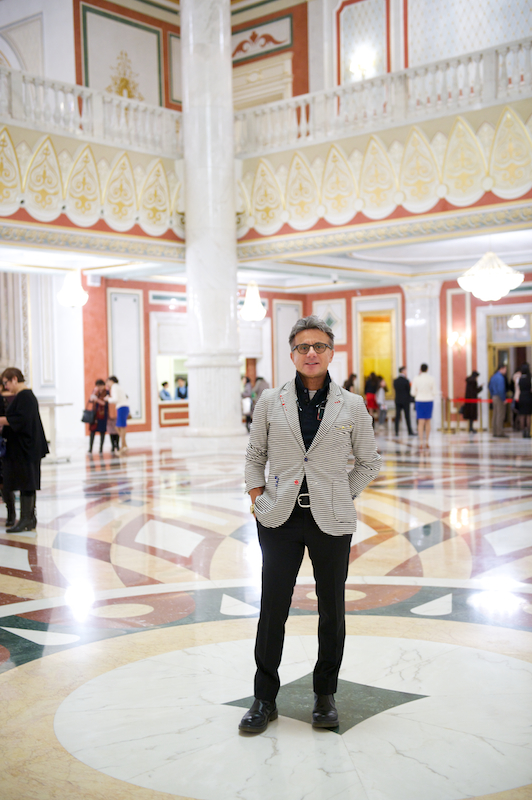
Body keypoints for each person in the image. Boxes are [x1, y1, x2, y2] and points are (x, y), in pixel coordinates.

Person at [240, 315, 381, 734]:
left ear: (331, 353)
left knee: (331, 609)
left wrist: (340, 493)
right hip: (279, 519)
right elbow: (254, 457)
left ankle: (325, 695)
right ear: (292, 355)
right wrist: (257, 499)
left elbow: (369, 462)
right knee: (273, 608)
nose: (311, 353)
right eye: (303, 347)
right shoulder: (270, 400)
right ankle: (264, 698)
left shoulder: (352, 404)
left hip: (330, 519)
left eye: (319, 346)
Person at [0, 368, 49, 533]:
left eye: (6, 383)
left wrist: (2, 420)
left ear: (14, 379)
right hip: (26, 447)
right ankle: (29, 519)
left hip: (27, 447)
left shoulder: (25, 396)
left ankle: (26, 519)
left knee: (27, 482)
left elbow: (21, 420)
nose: (6, 387)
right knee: (27, 482)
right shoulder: (25, 396)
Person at [411, 363, 437, 449]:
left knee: (420, 422)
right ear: (427, 369)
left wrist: (419, 393)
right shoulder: (431, 378)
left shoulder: (416, 378)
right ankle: (427, 441)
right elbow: (434, 392)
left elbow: (413, 392)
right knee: (428, 421)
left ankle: (421, 442)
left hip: (419, 400)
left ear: (420, 369)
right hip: (429, 400)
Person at [106, 376, 129, 452]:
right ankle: (124, 445)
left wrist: (108, 399)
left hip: (121, 407)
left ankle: (123, 445)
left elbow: (115, 399)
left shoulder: (114, 387)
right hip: (123, 407)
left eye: (108, 382)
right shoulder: (118, 387)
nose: (107, 384)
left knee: (121, 427)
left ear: (111, 381)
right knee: (119, 427)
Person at [87, 379, 108, 453]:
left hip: (102, 414)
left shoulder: (106, 392)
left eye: (100, 386)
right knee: (92, 431)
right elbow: (90, 400)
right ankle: (90, 448)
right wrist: (94, 393)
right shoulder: (96, 392)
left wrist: (97, 400)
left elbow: (105, 403)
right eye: (97, 386)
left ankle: (101, 448)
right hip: (95, 414)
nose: (99, 387)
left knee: (102, 431)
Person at [393, 367, 415, 436]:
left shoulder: (395, 381)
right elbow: (409, 391)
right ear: (403, 371)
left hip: (398, 400)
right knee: (407, 416)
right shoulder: (406, 381)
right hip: (405, 401)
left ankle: (396, 431)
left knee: (397, 416)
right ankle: (410, 431)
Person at [488, 364, 508, 438]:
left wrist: (492, 394)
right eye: (505, 369)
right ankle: (500, 432)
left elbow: (489, 387)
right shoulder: (500, 377)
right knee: (500, 415)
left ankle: (495, 431)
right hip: (499, 397)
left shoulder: (493, 377)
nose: (506, 371)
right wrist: (503, 399)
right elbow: (501, 389)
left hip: (494, 396)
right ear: (501, 368)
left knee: (495, 414)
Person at [518, 364, 531, 438]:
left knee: (522, 415)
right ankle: (528, 432)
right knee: (528, 415)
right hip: (528, 396)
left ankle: (523, 431)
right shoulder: (529, 378)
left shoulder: (520, 379)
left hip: (522, 396)